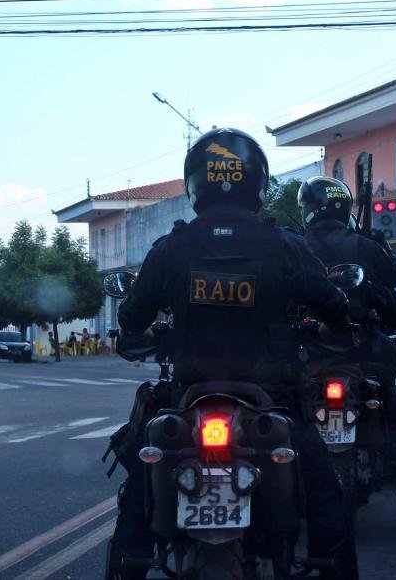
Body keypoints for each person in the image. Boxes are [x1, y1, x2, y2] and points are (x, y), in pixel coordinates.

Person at [109, 128, 358, 580]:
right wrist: (331, 327)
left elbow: (131, 318)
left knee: (139, 482)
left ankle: (129, 563)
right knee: (324, 488)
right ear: (257, 181)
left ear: (195, 182)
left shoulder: (172, 247)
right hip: (272, 396)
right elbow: (334, 306)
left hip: (188, 393)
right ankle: (332, 565)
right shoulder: (283, 244)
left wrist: (146, 333)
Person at [297, 176, 396, 527]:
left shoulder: (294, 246)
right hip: (362, 356)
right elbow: (392, 283)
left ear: (308, 208)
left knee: (283, 416)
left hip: (309, 359)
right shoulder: (364, 247)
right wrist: (377, 243)